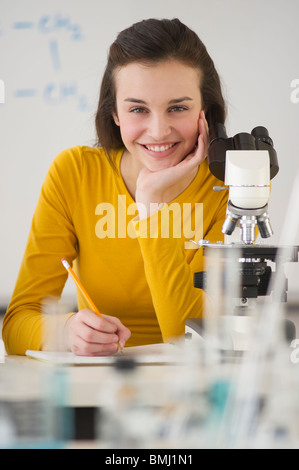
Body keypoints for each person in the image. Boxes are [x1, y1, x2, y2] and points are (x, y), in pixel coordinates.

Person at [3, 18, 228, 356]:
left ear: (204, 111)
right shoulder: (75, 173)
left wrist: (151, 205)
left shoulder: (229, 187)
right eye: (138, 109)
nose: (158, 131)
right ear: (115, 115)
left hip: (191, 384)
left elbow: (189, 339)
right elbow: (17, 325)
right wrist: (65, 332)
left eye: (178, 107)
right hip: (98, 387)